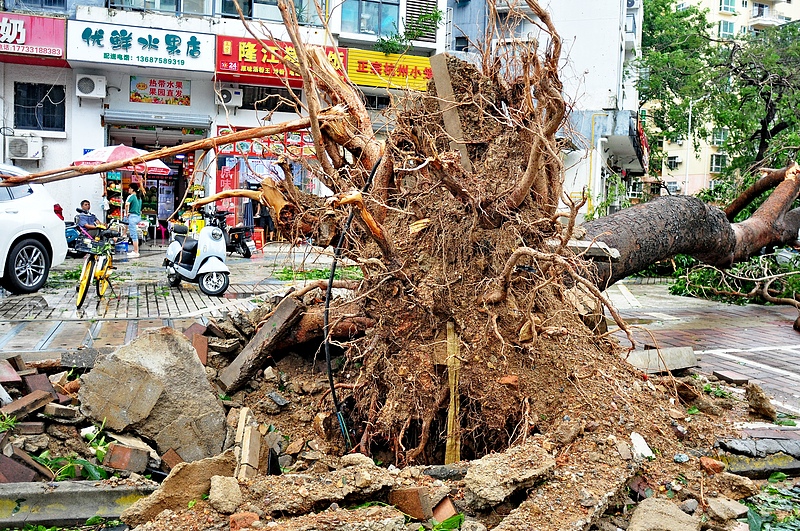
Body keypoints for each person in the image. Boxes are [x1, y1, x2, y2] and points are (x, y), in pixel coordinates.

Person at [124, 182, 143, 258]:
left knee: (133, 235)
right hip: (138, 217)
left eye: (129, 188)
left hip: (132, 217)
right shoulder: (139, 197)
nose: (128, 190)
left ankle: (136, 251)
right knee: (125, 222)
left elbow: (127, 204)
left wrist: (127, 212)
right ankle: (124, 233)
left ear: (132, 189)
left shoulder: (131, 196)